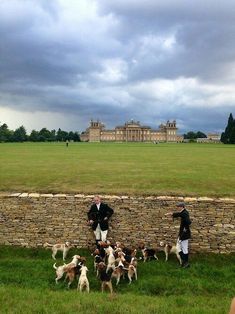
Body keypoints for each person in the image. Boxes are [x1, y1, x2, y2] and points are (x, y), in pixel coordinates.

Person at [165, 202, 191, 268]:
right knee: (179, 248)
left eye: (179, 207)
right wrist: (171, 214)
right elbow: (179, 214)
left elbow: (188, 222)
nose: (178, 208)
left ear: (182, 207)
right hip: (182, 234)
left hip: (184, 235)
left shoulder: (185, 213)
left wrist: (185, 229)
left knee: (184, 249)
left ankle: (186, 263)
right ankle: (184, 262)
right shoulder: (183, 212)